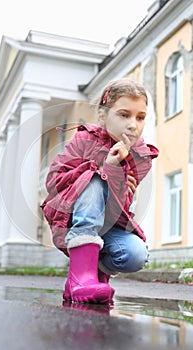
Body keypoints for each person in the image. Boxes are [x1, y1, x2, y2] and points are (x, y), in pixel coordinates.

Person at [41, 78, 159, 304]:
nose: (133, 124)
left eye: (140, 117)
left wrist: (115, 173)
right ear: (103, 116)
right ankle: (82, 280)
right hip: (72, 218)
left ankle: (87, 277)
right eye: (124, 115)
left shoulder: (141, 157)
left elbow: (120, 206)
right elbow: (54, 181)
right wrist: (106, 167)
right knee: (94, 179)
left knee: (136, 254)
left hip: (109, 223)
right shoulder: (84, 139)